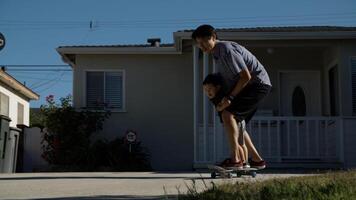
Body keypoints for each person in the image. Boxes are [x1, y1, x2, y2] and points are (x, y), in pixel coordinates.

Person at [193, 24, 272, 169]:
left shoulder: (226, 50)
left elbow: (245, 76)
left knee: (228, 115)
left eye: (204, 41)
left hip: (257, 84)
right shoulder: (216, 54)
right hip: (249, 87)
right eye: (198, 44)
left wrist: (230, 98)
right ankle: (257, 160)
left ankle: (235, 161)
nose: (201, 46)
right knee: (236, 122)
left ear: (213, 37)